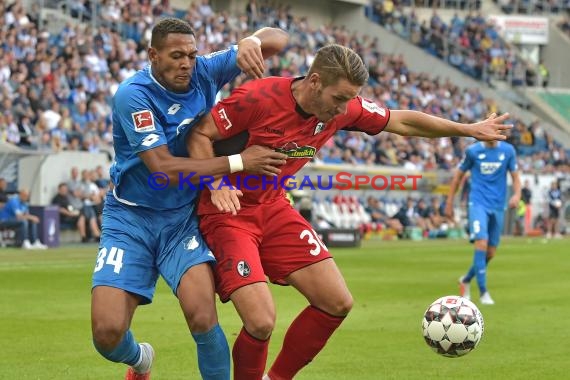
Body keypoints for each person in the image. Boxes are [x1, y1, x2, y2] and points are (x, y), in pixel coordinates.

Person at [186, 43, 512, 380]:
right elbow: (200, 133)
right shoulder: (258, 97)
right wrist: (216, 184)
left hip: (273, 206)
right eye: (339, 98)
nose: (344, 109)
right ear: (314, 82)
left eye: (350, 99)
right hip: (229, 211)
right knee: (261, 320)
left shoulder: (343, 109)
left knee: (336, 301)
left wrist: (467, 129)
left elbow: (402, 122)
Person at [90, 18, 288, 380]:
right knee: (106, 334)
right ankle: (140, 360)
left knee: (202, 315)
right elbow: (162, 165)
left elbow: (278, 37)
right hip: (129, 219)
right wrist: (240, 162)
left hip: (181, 218)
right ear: (153, 54)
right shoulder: (133, 95)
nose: (186, 63)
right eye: (176, 55)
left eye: (192, 55)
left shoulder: (204, 71)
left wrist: (251, 40)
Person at [445, 140, 521, 305]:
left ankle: (465, 279)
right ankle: (483, 292)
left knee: (490, 252)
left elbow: (515, 177)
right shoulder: (472, 151)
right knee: (481, 242)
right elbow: (458, 176)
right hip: (478, 202)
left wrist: (516, 195)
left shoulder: (508, 151)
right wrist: (449, 202)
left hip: (498, 205)